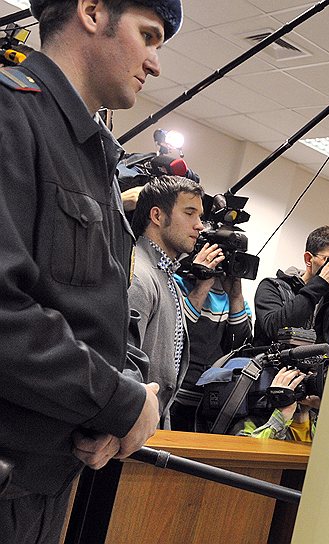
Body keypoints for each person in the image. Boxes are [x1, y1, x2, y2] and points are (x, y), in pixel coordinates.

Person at [0, 0, 181, 541]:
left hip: (49, 479)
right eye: (148, 36)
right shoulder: (11, 114)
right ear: (93, 11)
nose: (155, 64)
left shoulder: (96, 155)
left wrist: (120, 397)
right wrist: (117, 402)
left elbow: (100, 308)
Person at [128, 176, 204, 428]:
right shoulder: (138, 274)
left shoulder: (167, 277)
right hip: (130, 424)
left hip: (150, 424)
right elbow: (123, 363)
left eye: (200, 216)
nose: (199, 225)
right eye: (190, 213)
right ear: (157, 216)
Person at [169, 242, 253, 432]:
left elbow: (240, 347)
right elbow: (175, 334)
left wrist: (235, 297)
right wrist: (203, 284)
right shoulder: (177, 283)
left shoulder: (234, 299)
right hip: (174, 396)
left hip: (211, 402)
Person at [254, 226, 329, 348]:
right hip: (275, 360)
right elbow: (275, 330)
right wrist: (320, 284)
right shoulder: (273, 286)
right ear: (308, 259)